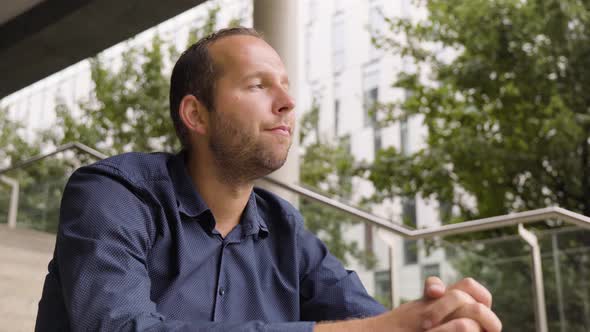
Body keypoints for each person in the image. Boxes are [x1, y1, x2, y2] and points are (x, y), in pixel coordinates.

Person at [35, 27, 501, 332]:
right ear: (196, 114)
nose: (287, 103)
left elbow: (373, 319)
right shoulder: (112, 194)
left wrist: (438, 318)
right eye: (259, 86)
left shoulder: (284, 228)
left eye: (285, 85)